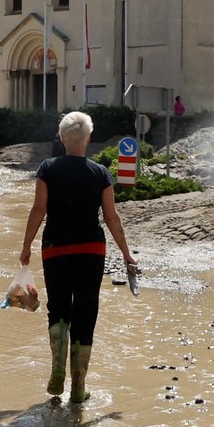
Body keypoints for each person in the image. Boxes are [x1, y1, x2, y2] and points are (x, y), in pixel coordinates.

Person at [20, 111, 138, 404]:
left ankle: (57, 369)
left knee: (58, 309)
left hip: (56, 248)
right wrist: (127, 254)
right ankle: (78, 387)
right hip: (91, 250)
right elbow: (112, 218)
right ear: (89, 139)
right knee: (86, 312)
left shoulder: (48, 169)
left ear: (61, 138)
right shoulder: (100, 174)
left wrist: (26, 247)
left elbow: (38, 210)